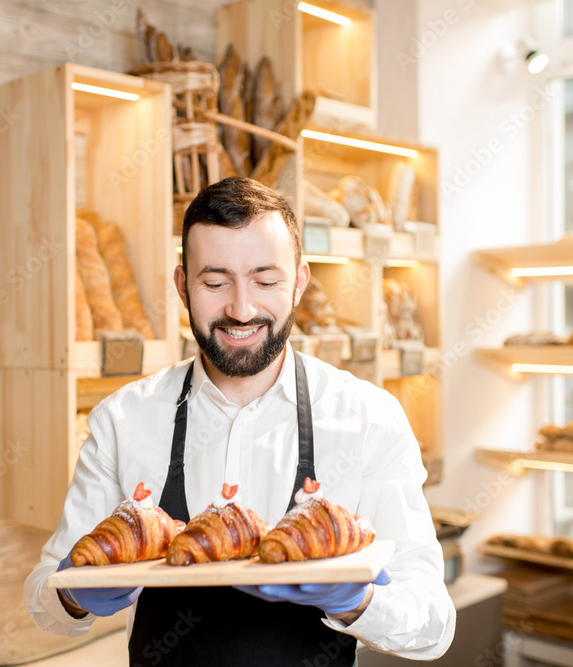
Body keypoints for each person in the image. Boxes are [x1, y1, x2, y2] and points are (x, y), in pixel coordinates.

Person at [25, 177, 456, 664]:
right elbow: (45, 597)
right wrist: (73, 595)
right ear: (182, 286)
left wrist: (359, 602)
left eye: (266, 281)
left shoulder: (369, 418)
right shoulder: (122, 419)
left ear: (299, 283)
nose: (241, 308)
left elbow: (432, 625)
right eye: (214, 282)